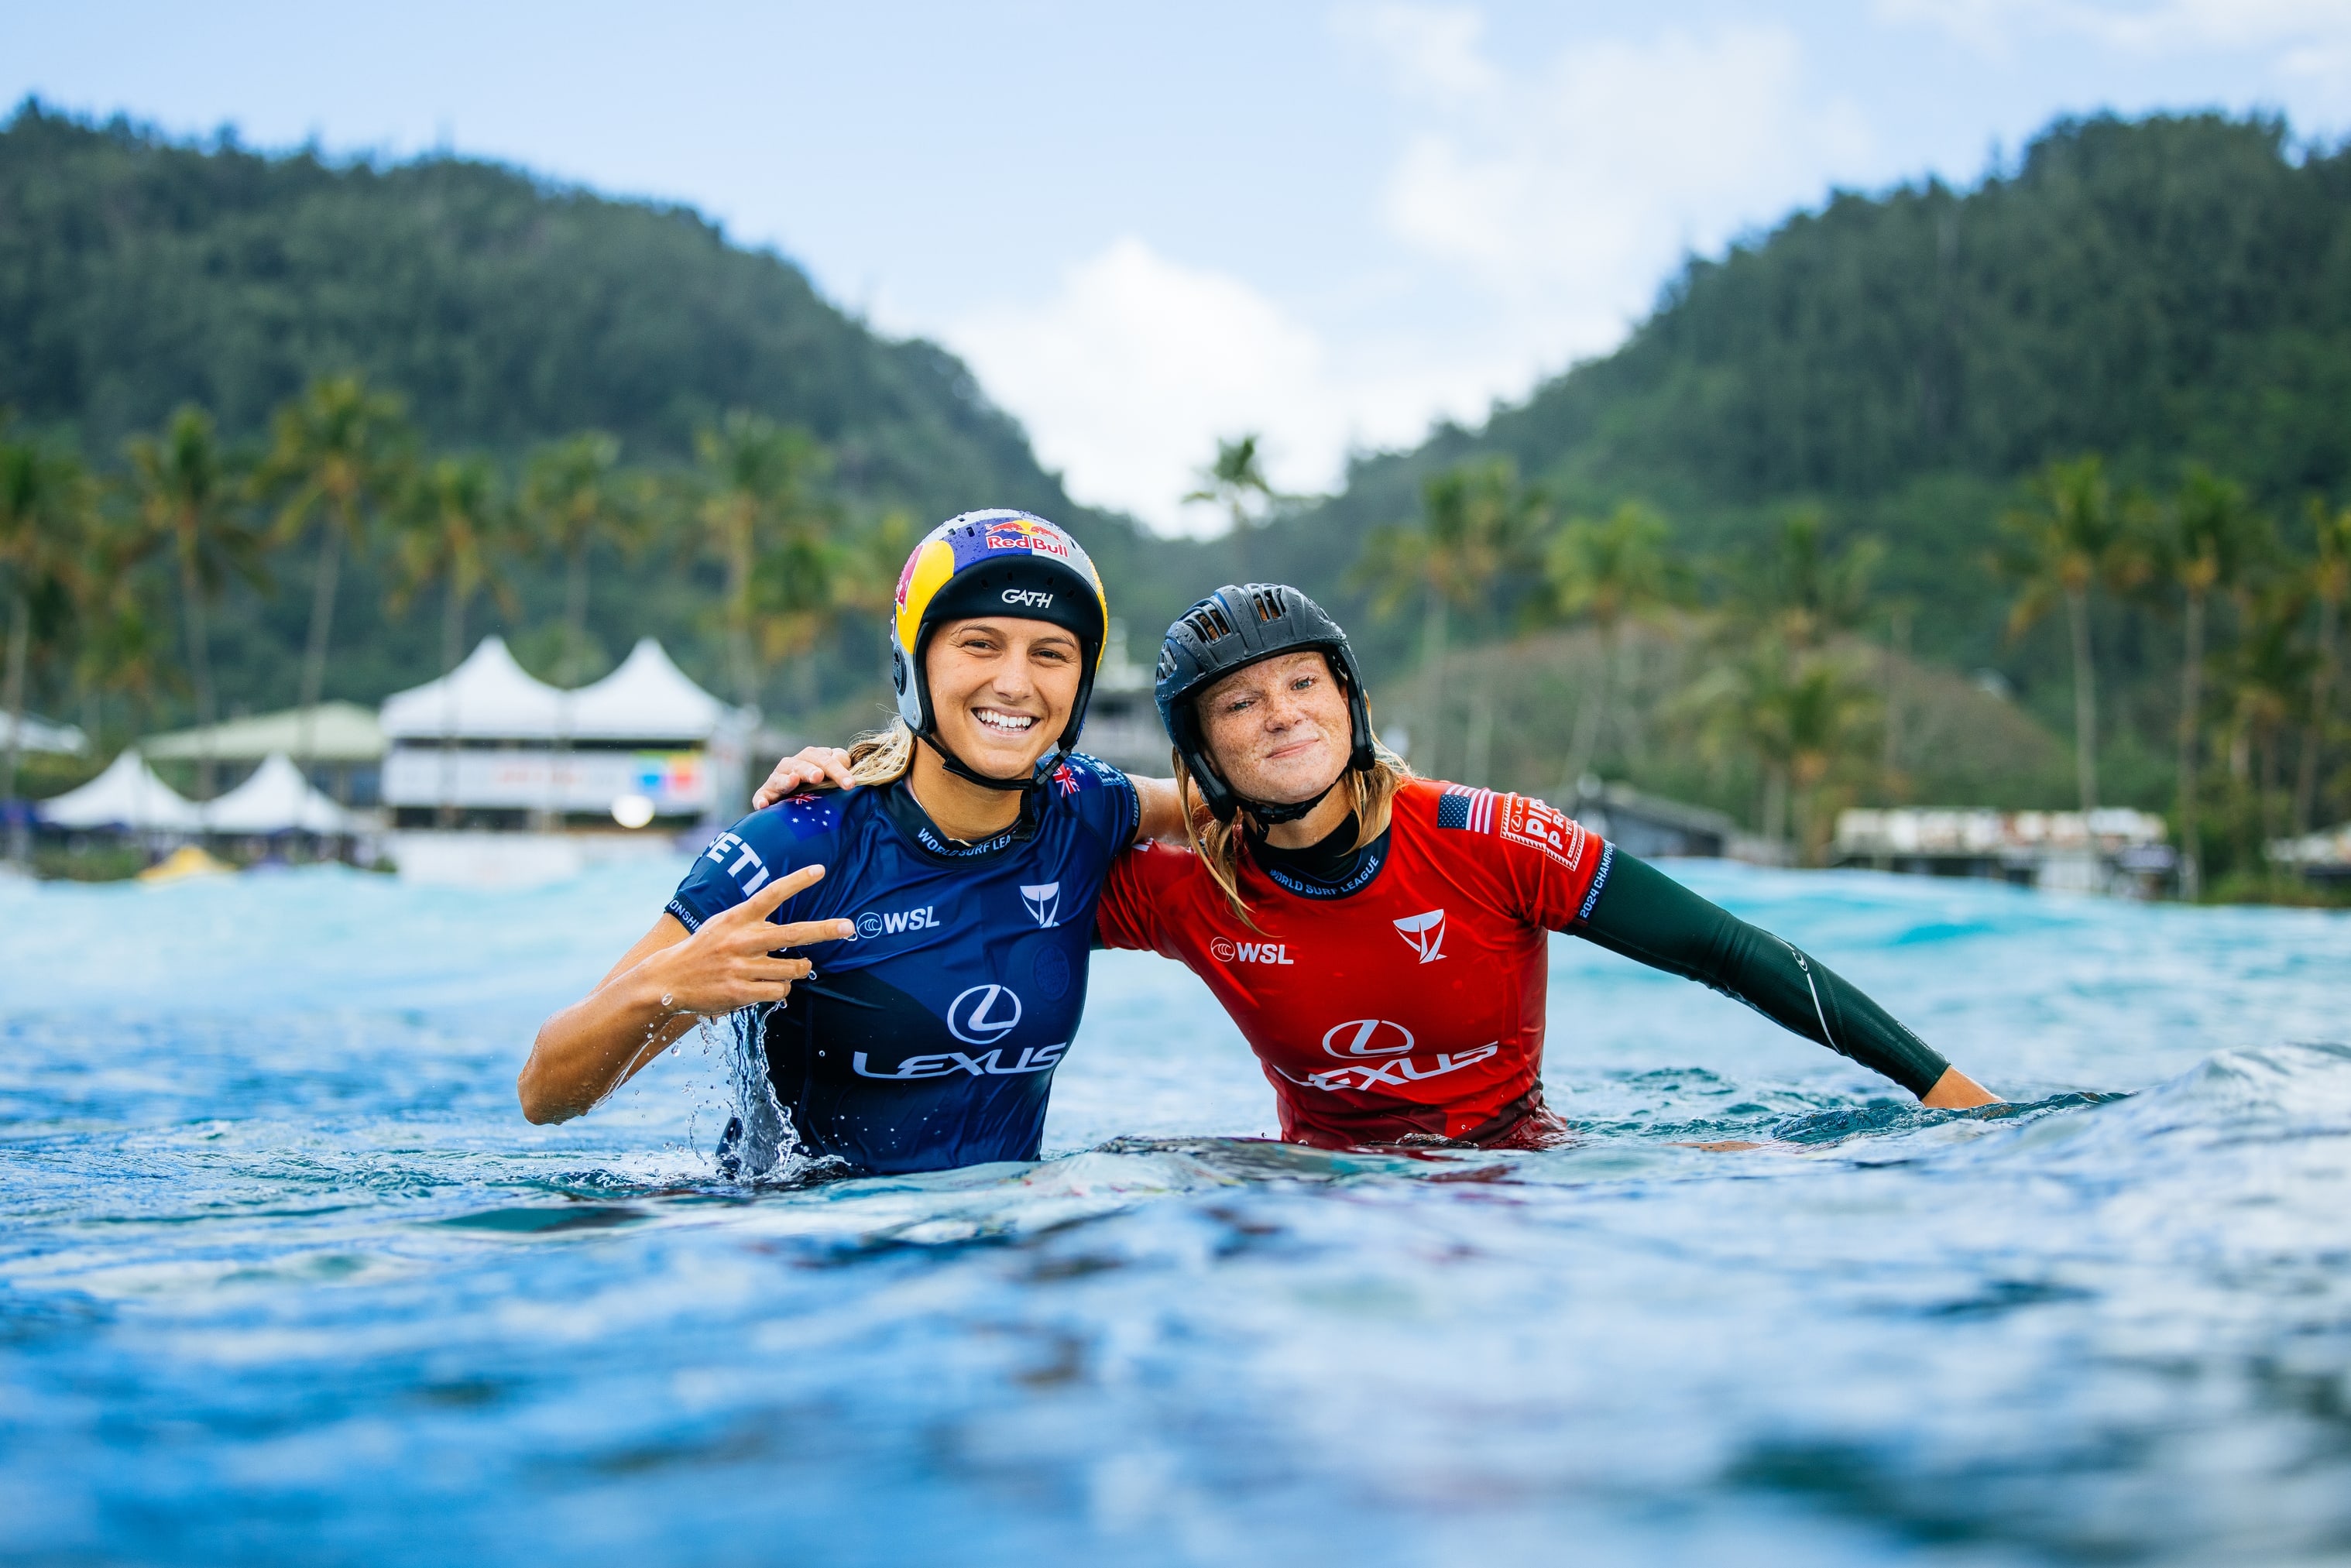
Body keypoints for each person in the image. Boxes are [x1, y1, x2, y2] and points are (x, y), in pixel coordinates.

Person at [757, 582, 1997, 1151]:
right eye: (1239, 706)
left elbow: (1729, 955)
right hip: (1315, 1198)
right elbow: (974, 868)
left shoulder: (1493, 840)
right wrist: (862, 782)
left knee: (1760, 1168)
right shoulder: (1184, 887)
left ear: (1350, 702)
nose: (1281, 715)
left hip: (1528, 1170)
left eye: (1304, 683)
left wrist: (1944, 1095)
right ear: (1200, 757)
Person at [517, 511, 1158, 1177]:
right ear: (915, 661)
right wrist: (672, 986)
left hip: (994, 1248)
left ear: (1080, 683)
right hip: (806, 1245)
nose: (1016, 682)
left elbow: (1227, 804)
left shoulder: (1088, 808)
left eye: (1050, 653)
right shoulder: (799, 844)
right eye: (980, 643)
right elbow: (543, 1092)